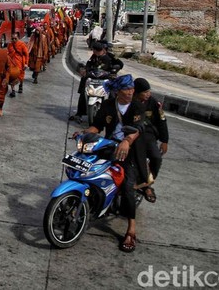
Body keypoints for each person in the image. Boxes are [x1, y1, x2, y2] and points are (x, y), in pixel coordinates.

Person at [74, 74, 146, 253]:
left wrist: (127, 141)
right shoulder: (107, 105)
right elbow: (97, 126)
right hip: (108, 145)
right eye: (126, 89)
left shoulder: (137, 106)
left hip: (130, 150)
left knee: (128, 186)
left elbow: (139, 129)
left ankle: (131, 229)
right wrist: (84, 132)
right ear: (117, 91)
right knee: (87, 165)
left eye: (131, 89)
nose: (130, 92)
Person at [134, 77, 169, 204]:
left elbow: (162, 121)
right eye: (145, 92)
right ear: (136, 93)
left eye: (149, 91)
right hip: (132, 134)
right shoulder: (129, 101)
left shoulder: (153, 102)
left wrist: (165, 141)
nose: (148, 94)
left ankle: (146, 184)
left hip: (148, 135)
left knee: (156, 158)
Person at [71, 41, 124, 122]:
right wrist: (85, 70)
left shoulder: (110, 56)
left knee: (113, 93)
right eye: (95, 51)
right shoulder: (94, 57)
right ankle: (79, 113)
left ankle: (114, 114)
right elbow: (88, 65)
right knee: (84, 90)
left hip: (107, 78)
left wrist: (114, 70)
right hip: (94, 78)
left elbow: (120, 64)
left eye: (99, 50)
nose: (97, 52)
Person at [6, 31, 29, 97]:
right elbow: (8, 53)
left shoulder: (22, 44)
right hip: (11, 63)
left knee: (20, 76)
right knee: (12, 76)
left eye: (15, 38)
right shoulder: (10, 45)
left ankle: (20, 85)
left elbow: (26, 54)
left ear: (18, 38)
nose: (14, 40)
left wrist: (26, 63)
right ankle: (13, 91)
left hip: (20, 63)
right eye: (12, 39)